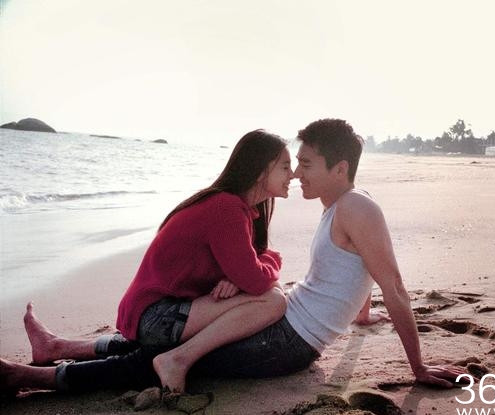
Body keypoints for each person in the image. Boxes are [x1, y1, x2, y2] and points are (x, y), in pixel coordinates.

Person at [1, 119, 467, 394]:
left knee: (162, 358)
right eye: (293, 165)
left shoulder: (356, 208)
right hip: (284, 323)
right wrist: (360, 315)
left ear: (339, 168)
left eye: (306, 164)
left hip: (289, 342)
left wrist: (418, 367)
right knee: (166, 349)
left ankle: (29, 377)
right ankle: (58, 350)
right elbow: (360, 268)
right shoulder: (340, 207)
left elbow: (393, 285)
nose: (297, 174)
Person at [7, 129, 295, 393]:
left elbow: (252, 266)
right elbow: (257, 280)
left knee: (148, 355)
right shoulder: (227, 209)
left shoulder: (237, 208)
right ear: (261, 169)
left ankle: (56, 347)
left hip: (150, 311)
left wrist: (241, 276)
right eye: (285, 166)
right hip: (156, 315)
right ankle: (176, 360)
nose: (292, 174)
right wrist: (256, 270)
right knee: (272, 300)